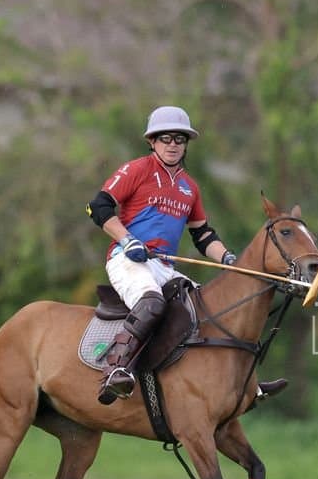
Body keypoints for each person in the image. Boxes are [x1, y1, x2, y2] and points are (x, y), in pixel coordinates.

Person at [87, 105, 285, 405]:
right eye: (165, 138)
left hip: (164, 266)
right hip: (128, 259)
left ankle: (247, 383)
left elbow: (202, 234)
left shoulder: (189, 187)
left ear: (186, 144)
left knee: (209, 309)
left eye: (179, 139)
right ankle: (116, 369)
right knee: (151, 302)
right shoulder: (136, 170)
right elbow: (98, 207)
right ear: (152, 141)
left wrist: (229, 259)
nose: (172, 145)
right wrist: (127, 241)